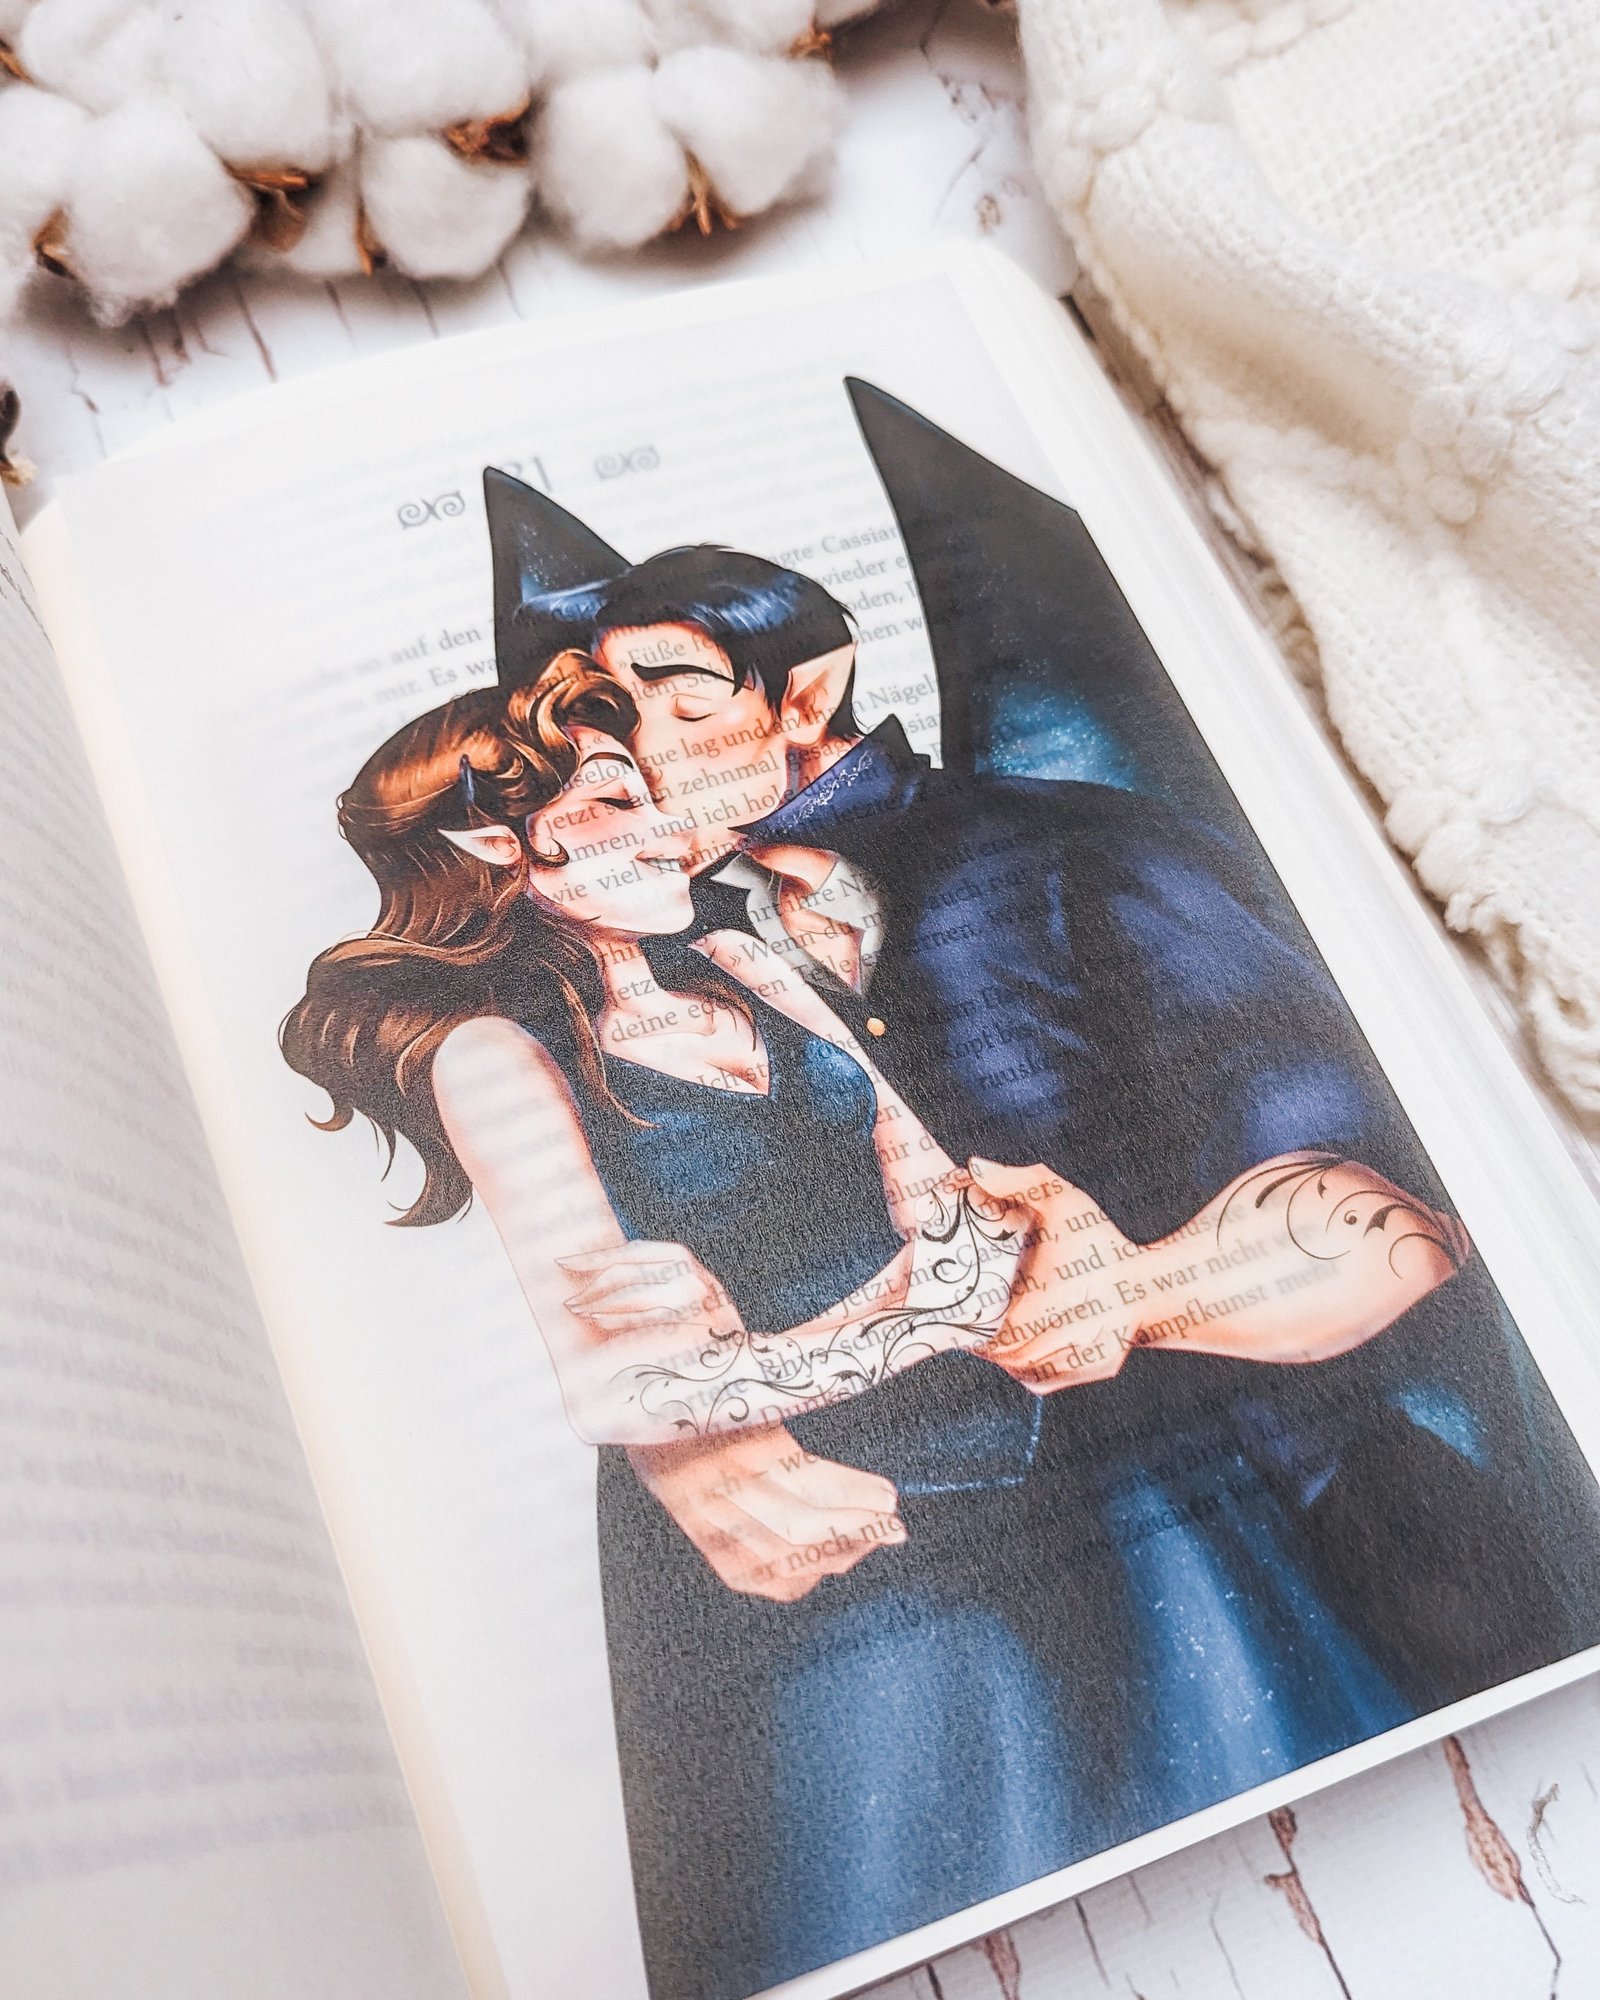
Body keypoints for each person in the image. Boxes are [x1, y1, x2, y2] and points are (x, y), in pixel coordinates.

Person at [481, 390, 1600, 1899]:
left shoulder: (1075, 857)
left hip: (1243, 1610)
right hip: (886, 1641)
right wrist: (694, 1429)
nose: (631, 753)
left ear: (807, 691)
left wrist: (1135, 1291)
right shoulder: (644, 967)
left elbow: (1399, 1224)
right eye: (601, 721)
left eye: (672, 696)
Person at [283, 659, 1469, 1999]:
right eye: (614, 802)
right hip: (832, 1521)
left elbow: (939, 1199)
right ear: (495, 849)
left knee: (1266, 1773)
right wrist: (895, 1324)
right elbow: (615, 1392)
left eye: (651, 794)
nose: (666, 828)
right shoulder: (495, 1058)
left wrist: (875, 1311)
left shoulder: (742, 961)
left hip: (1018, 1439)